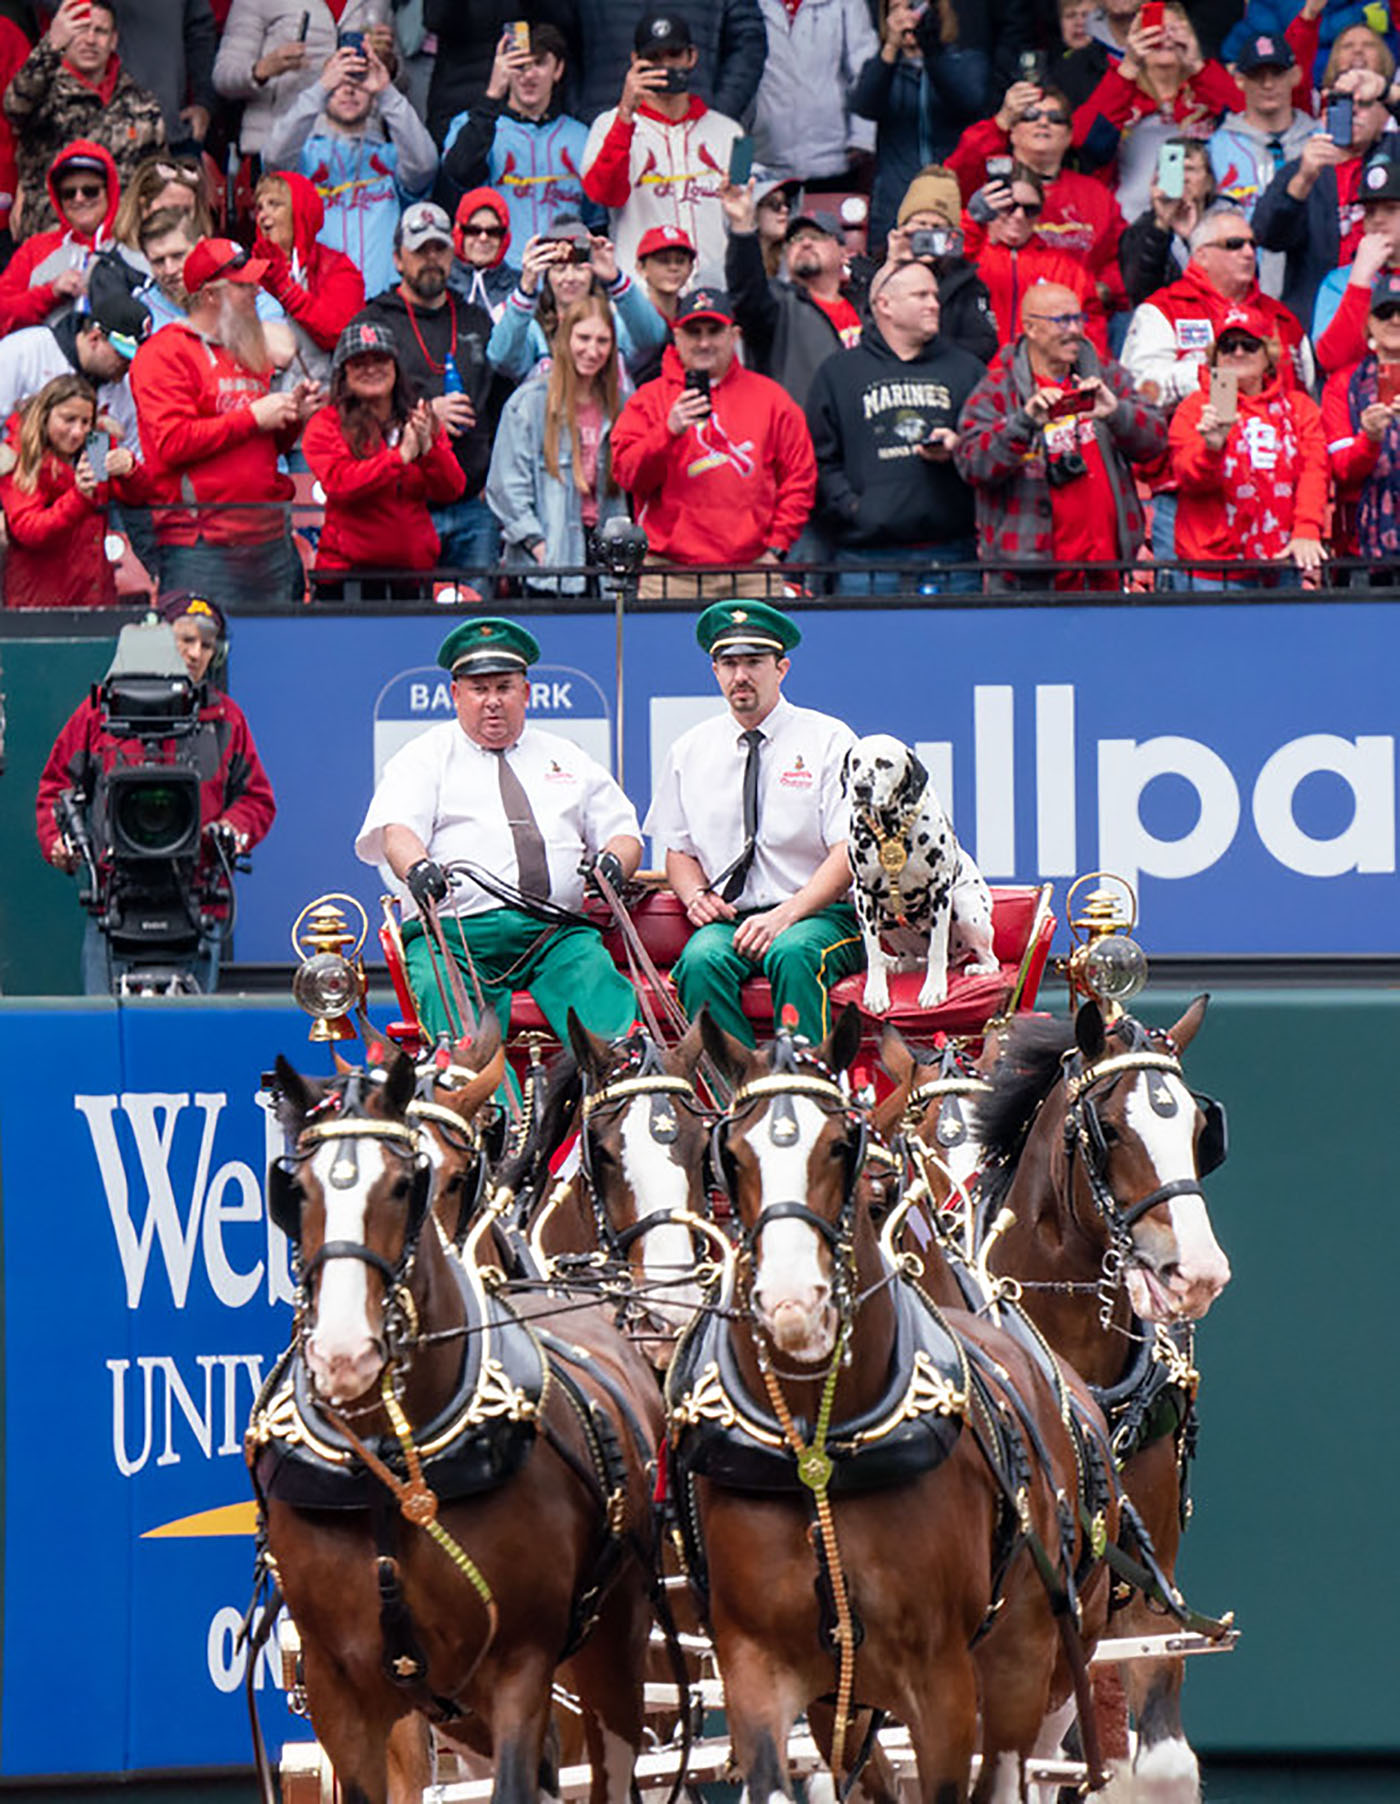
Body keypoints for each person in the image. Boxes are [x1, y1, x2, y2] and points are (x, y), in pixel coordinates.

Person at [355, 616, 642, 1048]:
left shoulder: (568, 756)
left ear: (526, 692)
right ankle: (491, 1114)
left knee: (600, 994)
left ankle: (613, 1105)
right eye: (479, 689)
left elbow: (624, 833)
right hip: (455, 938)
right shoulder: (422, 758)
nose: (492, 701)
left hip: (554, 933)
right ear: (455, 695)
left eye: (504, 687)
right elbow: (398, 832)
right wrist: (416, 868)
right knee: (446, 1005)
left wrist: (615, 862)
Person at [644, 600, 861, 1048]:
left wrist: (787, 914)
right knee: (701, 960)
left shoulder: (829, 739)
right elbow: (678, 850)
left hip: (821, 914)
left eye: (753, 662)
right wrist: (694, 895)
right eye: (728, 663)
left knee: (795, 952)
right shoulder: (690, 749)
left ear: (782, 668)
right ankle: (736, 1103)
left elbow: (849, 852)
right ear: (715, 672)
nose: (740, 675)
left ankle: (807, 1098)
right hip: (734, 918)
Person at [36, 594, 276, 995]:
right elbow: (56, 786)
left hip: (197, 902)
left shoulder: (226, 720)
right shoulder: (100, 713)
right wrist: (59, 842)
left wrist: (231, 830)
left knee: (190, 1040)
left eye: (207, 644)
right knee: (108, 1038)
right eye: (186, 640)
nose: (196, 653)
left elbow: (257, 799)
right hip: (114, 903)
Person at [128, 236, 320, 602]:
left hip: (267, 535)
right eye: (243, 286)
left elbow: (261, 444)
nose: (255, 293)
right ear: (211, 295)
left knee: (277, 648)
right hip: (201, 541)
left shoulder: (246, 348)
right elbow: (172, 442)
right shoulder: (164, 352)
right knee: (203, 649)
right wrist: (253, 416)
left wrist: (292, 417)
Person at [954, 281, 1167, 589]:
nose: (1074, 330)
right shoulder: (997, 389)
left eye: (1078, 318)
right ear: (1030, 327)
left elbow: (1156, 440)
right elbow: (973, 463)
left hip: (1107, 570)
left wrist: (1116, 413)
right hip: (1029, 577)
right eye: (1061, 321)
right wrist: (1023, 424)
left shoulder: (1107, 376)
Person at [610, 286, 817, 599]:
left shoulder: (771, 399)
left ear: (734, 336)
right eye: (694, 332)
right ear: (677, 337)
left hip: (751, 571)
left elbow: (800, 478)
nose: (704, 342)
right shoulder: (649, 400)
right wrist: (667, 432)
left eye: (714, 331)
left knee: (757, 650)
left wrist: (777, 546)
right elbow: (627, 475)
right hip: (669, 572)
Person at [805, 257, 984, 595]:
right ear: (884, 304)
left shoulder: (967, 369)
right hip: (866, 559)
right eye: (921, 296)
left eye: (935, 295)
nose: (934, 304)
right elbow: (819, 458)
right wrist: (853, 508)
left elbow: (991, 446)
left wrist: (959, 449)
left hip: (953, 555)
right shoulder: (839, 372)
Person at [355, 199, 503, 571]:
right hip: (403, 505)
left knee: (476, 624)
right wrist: (426, 414)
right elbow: (352, 412)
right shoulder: (373, 321)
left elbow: (502, 406)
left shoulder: (477, 320)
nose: (431, 259)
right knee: (405, 624)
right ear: (398, 259)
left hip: (473, 506)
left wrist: (494, 482)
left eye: (440, 249)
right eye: (420, 251)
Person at [261, 37, 438, 304]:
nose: (349, 91)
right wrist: (320, 88)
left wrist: (387, 92)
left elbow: (425, 166)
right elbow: (274, 158)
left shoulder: (391, 156)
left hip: (385, 304)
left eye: (359, 81)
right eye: (340, 82)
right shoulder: (305, 155)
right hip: (319, 303)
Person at [1167, 301, 1328, 584]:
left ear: (1268, 355)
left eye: (1249, 344)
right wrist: (1211, 450)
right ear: (1215, 357)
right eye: (1227, 346)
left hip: (1279, 561)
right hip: (1213, 571)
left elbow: (1313, 472)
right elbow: (1187, 478)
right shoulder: (1195, 408)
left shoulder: (1298, 408)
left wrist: (1306, 529)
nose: (1238, 352)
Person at [302, 320, 466, 591]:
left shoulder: (419, 418)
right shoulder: (326, 423)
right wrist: (399, 457)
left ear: (395, 368)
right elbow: (339, 483)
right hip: (347, 580)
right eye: (359, 362)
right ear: (344, 372)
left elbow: (451, 488)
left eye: (380, 360)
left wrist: (429, 451)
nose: (371, 369)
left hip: (412, 575)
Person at [485, 293, 630, 594]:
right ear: (565, 337)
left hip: (605, 560)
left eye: (602, 341)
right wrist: (538, 545)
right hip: (548, 563)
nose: (592, 350)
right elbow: (505, 487)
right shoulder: (529, 402)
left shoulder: (622, 405)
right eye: (584, 338)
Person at [582, 11, 744, 275]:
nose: (665, 66)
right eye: (654, 58)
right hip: (641, 296)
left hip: (715, 296)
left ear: (692, 56)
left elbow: (746, 214)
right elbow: (602, 195)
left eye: (674, 55)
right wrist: (625, 115)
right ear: (635, 61)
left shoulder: (733, 133)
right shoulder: (607, 124)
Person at [948, 76, 1127, 310]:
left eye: (1055, 119)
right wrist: (1001, 121)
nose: (1043, 123)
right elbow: (956, 175)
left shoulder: (1096, 195)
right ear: (1012, 132)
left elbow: (1121, 257)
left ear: (1069, 135)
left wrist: (1102, 288)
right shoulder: (986, 182)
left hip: (1077, 318)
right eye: (1030, 116)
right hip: (996, 313)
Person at [3, 0, 165, 240]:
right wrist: (51, 45)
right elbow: (15, 105)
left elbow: (156, 177)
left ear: (114, 39)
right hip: (52, 242)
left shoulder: (142, 102)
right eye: (81, 29)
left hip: (123, 245)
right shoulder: (42, 93)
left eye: (100, 31)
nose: (90, 39)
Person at [1253, 60, 1395, 326]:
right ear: (1323, 114)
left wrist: (1388, 91)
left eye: (1363, 104)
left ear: (1384, 116)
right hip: (1317, 317)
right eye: (1339, 104)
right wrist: (1302, 182)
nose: (1352, 112)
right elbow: (1267, 236)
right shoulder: (1301, 168)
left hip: (1388, 310)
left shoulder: (1395, 158)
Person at [1071, 4, 1242, 223]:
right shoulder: (1123, 93)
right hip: (1128, 225)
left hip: (1204, 223)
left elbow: (1252, 124)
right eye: (1153, 31)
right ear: (1134, 40)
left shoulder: (1206, 92)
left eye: (1174, 30)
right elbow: (1083, 141)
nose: (1165, 38)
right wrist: (1129, 66)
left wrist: (1197, 65)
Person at [438, 22, 602, 240]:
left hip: (563, 269)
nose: (529, 75)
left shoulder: (581, 136)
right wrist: (493, 94)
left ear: (558, 69)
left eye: (539, 63)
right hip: (501, 269)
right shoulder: (472, 123)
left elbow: (596, 219)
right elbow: (458, 173)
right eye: (519, 65)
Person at [850, 0, 992, 249]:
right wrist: (890, 47)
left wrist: (931, 47)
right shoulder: (881, 68)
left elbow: (968, 100)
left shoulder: (965, 61)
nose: (905, 16)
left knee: (952, 279)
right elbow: (865, 105)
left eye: (913, 6)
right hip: (895, 203)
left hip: (953, 201)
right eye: (896, 8)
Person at [0, 373, 137, 609]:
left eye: (85, 422)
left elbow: (139, 498)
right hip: (40, 606)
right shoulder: (21, 457)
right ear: (45, 415)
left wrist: (131, 469)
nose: (77, 431)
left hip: (94, 598)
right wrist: (79, 497)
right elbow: (29, 530)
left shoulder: (96, 445)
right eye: (68, 420)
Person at [486, 217, 667, 384]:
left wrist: (616, 279)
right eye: (560, 269)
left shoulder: (612, 320)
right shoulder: (532, 327)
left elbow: (653, 337)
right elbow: (500, 358)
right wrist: (525, 289)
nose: (570, 277)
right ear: (547, 276)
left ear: (593, 273)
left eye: (580, 268)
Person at [723, 196, 865, 408]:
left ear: (844, 253)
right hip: (801, 434)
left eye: (817, 236)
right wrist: (742, 226)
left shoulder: (868, 305)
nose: (805, 243)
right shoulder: (777, 305)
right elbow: (746, 292)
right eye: (795, 240)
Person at [213, 0, 400, 160]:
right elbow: (223, 77)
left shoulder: (377, 2)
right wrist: (262, 70)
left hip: (359, 149)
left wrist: (388, 65)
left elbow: (403, 84)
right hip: (280, 149)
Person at [1206, 32, 1316, 301]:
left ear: (1295, 76)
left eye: (1277, 73)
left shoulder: (1322, 141)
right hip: (1240, 289)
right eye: (1257, 75)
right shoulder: (1214, 148)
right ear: (1240, 81)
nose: (1268, 84)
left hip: (1310, 280)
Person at [0, 271, 147, 452]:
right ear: (94, 338)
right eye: (123, 356)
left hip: (82, 477)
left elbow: (127, 457)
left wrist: (123, 465)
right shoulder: (26, 349)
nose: (129, 366)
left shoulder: (126, 388)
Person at [968, 167, 1109, 354]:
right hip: (977, 371)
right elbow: (943, 266)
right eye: (1008, 206)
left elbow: (1091, 335)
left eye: (1030, 209)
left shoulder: (1065, 268)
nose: (1019, 216)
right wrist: (972, 219)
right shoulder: (971, 255)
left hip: (1041, 375)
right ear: (990, 207)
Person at [251, 169, 366, 385]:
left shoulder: (336, 267)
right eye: (259, 207)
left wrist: (286, 290)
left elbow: (337, 332)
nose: (263, 215)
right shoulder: (248, 273)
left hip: (323, 397)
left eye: (274, 204)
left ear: (300, 210)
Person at [570, 0, 766, 127]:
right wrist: (583, 114)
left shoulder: (723, 131)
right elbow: (558, 39)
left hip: (698, 128)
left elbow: (748, 42)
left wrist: (719, 111)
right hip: (608, 125)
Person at [749, 0, 878, 188]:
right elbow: (738, 81)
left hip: (833, 159)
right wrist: (739, 162)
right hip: (764, 163)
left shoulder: (845, 4)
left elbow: (864, 69)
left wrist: (862, 138)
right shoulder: (749, 4)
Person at [0, 140, 121, 336]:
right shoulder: (35, 248)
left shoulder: (133, 245)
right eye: (69, 193)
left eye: (90, 191)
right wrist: (50, 294)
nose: (79, 199)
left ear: (110, 191)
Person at [1323, 268, 1400, 573]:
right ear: (1369, 323)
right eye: (1385, 312)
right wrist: (1369, 439)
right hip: (1360, 548)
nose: (1396, 320)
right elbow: (1341, 469)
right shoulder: (1343, 383)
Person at [885, 167, 998, 365]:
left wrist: (925, 352)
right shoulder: (873, 271)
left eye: (938, 228)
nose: (928, 233)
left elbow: (983, 343)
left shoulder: (966, 281)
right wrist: (892, 265)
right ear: (903, 226)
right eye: (920, 224)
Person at [1311, 154, 1400, 370]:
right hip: (1356, 397)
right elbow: (1331, 359)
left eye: (1390, 209)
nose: (1378, 219)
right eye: (1370, 212)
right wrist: (1360, 280)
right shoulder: (1339, 281)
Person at [1118, 138, 1217, 306]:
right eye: (1175, 169)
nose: (1183, 178)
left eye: (1190, 169)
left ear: (1208, 182)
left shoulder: (1227, 224)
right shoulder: (1141, 230)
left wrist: (1191, 240)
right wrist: (1161, 226)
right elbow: (1139, 292)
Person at [451, 184, 519, 321]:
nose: (483, 238)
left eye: (493, 232)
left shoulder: (519, 288)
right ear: (459, 232)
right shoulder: (440, 285)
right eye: (473, 230)